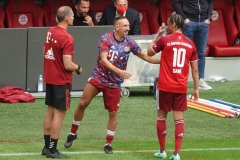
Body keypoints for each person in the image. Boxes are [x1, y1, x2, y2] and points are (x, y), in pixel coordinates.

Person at [64, 16, 159, 154]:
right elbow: (103, 60)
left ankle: (108, 143)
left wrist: (163, 61)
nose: (128, 28)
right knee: (82, 103)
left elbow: (145, 56)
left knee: (113, 113)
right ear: (117, 27)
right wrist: (119, 71)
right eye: (125, 26)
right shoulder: (106, 38)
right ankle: (73, 133)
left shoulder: (130, 42)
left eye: (128, 25)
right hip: (99, 77)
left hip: (114, 83)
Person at [147, 13, 199, 160]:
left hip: (165, 86)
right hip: (180, 87)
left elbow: (150, 52)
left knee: (161, 116)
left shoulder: (165, 40)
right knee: (179, 119)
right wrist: (196, 88)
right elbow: (195, 69)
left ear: (174, 24)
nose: (167, 26)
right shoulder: (190, 43)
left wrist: (157, 35)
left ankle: (162, 151)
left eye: (169, 24)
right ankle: (176, 153)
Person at [42, 6, 82, 159]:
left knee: (50, 112)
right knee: (59, 115)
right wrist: (77, 68)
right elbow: (67, 64)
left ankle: (46, 147)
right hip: (61, 81)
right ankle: (52, 150)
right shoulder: (67, 38)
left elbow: (44, 51)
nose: (73, 18)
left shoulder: (50, 31)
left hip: (50, 78)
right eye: (72, 16)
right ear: (66, 18)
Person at [172, 0, 213, 90]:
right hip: (189, 22)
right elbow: (175, 2)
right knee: (185, 52)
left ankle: (200, 80)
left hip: (203, 23)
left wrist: (209, 17)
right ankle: (181, 80)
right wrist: (184, 18)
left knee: (201, 52)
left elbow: (210, 1)